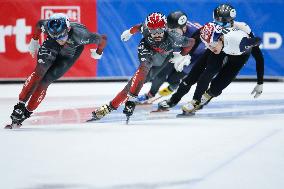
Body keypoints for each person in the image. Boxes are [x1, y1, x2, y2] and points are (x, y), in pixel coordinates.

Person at [5, 13, 107, 129]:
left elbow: (103, 39)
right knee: (40, 71)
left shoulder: (82, 36)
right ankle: (20, 105)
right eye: (55, 36)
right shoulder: (48, 29)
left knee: (46, 80)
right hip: (51, 45)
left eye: (62, 37)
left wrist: (99, 52)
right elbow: (39, 24)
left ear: (68, 30)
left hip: (71, 52)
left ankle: (27, 112)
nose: (59, 40)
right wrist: (34, 40)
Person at [158, 4, 264, 112]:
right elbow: (196, 39)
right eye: (216, 21)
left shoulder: (241, 34)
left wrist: (260, 82)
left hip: (238, 57)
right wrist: (184, 55)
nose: (219, 25)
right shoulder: (211, 29)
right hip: (219, 48)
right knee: (195, 76)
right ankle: (181, 101)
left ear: (232, 20)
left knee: (216, 88)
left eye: (223, 22)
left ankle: (204, 99)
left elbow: (258, 54)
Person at [90, 12, 195, 121]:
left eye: (160, 30)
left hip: (164, 57)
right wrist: (129, 32)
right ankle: (110, 107)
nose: (157, 34)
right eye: (153, 31)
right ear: (148, 29)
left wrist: (182, 55)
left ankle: (168, 86)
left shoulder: (174, 38)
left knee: (160, 76)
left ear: (166, 28)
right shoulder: (145, 29)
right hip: (147, 50)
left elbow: (191, 42)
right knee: (137, 78)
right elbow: (138, 27)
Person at [135, 11, 206, 104]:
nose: (172, 33)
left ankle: (173, 85)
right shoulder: (168, 27)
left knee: (173, 78)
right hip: (181, 50)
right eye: (170, 29)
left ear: (184, 28)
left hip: (197, 56)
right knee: (161, 72)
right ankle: (150, 94)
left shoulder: (198, 33)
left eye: (174, 31)